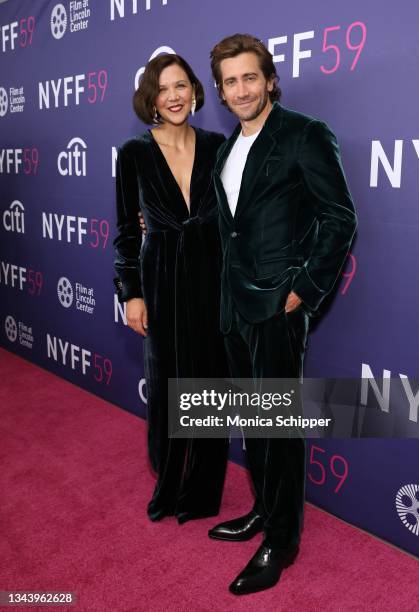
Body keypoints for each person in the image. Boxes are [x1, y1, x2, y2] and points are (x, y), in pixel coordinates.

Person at [207, 34, 357, 595]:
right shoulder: (226, 149)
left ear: (269, 79)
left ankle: (282, 541)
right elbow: (231, 227)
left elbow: (340, 219)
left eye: (250, 77)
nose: (241, 89)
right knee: (253, 420)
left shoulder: (304, 134)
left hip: (277, 305)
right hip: (233, 306)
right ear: (219, 91)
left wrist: (302, 291)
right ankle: (263, 511)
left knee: (278, 425)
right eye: (230, 81)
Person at [113, 54, 229, 524]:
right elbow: (125, 229)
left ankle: (202, 489)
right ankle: (170, 477)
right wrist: (131, 292)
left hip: (211, 272)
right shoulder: (134, 153)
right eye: (164, 89)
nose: (175, 96)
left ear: (196, 90)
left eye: (181, 85)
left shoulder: (219, 145)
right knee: (166, 384)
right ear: (151, 99)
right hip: (160, 274)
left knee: (210, 380)